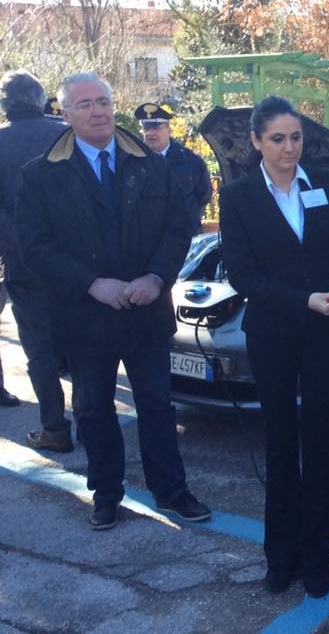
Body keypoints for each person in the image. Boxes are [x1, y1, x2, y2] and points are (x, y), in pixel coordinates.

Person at [16, 72, 211, 530]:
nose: (97, 111)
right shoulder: (41, 174)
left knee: (158, 407)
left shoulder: (150, 163)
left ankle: (172, 491)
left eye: (103, 101)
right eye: (84, 104)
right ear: (64, 114)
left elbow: (179, 227)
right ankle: (105, 494)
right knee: (93, 409)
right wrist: (90, 284)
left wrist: (157, 276)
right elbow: (36, 247)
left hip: (146, 309)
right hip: (86, 315)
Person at [220, 95, 329, 597]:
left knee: (319, 443)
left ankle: (318, 556)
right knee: (280, 445)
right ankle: (280, 557)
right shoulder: (237, 198)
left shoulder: (328, 184)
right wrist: (305, 300)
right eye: (277, 139)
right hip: (273, 334)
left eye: (295, 137)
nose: (289, 148)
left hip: (325, 334)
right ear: (256, 142)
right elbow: (242, 274)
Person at [0, 71, 71, 436]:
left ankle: (54, 427)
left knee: (39, 349)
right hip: (76, 260)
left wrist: (16, 243)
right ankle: (94, 426)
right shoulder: (65, 134)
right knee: (83, 345)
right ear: (40, 98)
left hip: (24, 263)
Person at [134, 102, 213, 234]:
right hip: (147, 239)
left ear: (168, 130)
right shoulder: (134, 161)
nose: (150, 133)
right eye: (146, 128)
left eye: (156, 128)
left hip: (184, 237)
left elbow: (204, 195)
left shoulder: (190, 161)